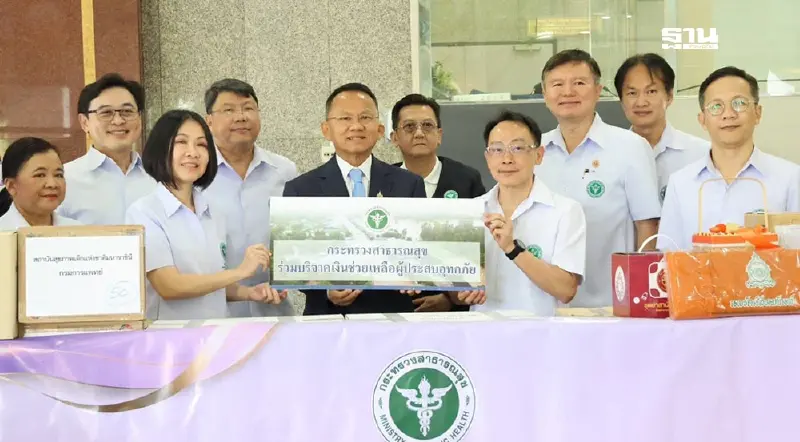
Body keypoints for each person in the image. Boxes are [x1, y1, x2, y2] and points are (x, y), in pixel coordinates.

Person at [283, 82, 429, 315]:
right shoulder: (301, 189)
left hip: (394, 317)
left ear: (380, 129)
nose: (356, 126)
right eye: (345, 119)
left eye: (365, 117)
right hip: (328, 319)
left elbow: (422, 248)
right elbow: (294, 260)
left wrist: (415, 276)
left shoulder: (409, 184)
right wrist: (325, 291)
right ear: (326, 129)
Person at [125, 110, 285, 320]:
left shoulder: (214, 212)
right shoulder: (143, 212)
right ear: (161, 149)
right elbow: (169, 286)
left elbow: (212, 282)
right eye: (181, 142)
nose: (193, 152)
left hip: (214, 336)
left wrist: (249, 293)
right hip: (168, 339)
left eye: (201, 144)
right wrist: (241, 271)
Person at [535, 49, 660, 309]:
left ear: (598, 90)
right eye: (557, 84)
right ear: (545, 94)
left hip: (610, 304)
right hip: (543, 305)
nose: (568, 92)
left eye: (579, 83)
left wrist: (639, 298)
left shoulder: (630, 147)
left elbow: (647, 228)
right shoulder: (534, 151)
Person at [450, 111, 586, 314]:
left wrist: (512, 248)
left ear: (539, 155)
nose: (506, 159)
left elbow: (566, 290)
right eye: (497, 149)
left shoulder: (566, 211)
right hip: (483, 335)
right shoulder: (472, 211)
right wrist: (462, 293)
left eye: (518, 148)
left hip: (543, 335)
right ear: (487, 158)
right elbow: (456, 291)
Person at [658, 66, 800, 250]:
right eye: (716, 106)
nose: (728, 114)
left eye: (739, 103)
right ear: (702, 120)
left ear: (758, 113)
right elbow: (669, 255)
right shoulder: (681, 183)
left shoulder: (790, 178)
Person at [203, 78, 298, 318]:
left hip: (274, 309)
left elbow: (298, 237)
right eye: (229, 110)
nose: (241, 117)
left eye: (248, 108)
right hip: (215, 313)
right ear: (209, 121)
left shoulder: (284, 171)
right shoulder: (196, 173)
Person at [390, 93, 486, 312]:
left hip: (457, 305)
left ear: (439, 134)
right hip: (396, 305)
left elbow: (478, 248)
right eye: (409, 127)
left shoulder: (466, 180)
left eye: (427, 126)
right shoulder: (382, 183)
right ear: (394, 137)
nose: (419, 133)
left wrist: (449, 298)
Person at [58, 73, 156, 225]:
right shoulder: (65, 180)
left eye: (127, 111)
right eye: (106, 113)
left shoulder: (160, 178)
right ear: (84, 123)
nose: (118, 120)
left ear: (140, 118)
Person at [614, 53, 710, 203]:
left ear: (669, 96)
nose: (641, 102)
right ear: (621, 101)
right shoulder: (610, 155)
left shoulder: (701, 154)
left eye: (651, 92)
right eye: (632, 93)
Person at [0, 138, 81, 230]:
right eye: (40, 175)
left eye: (58, 175)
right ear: (11, 186)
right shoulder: (3, 233)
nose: (52, 184)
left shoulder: (79, 231)